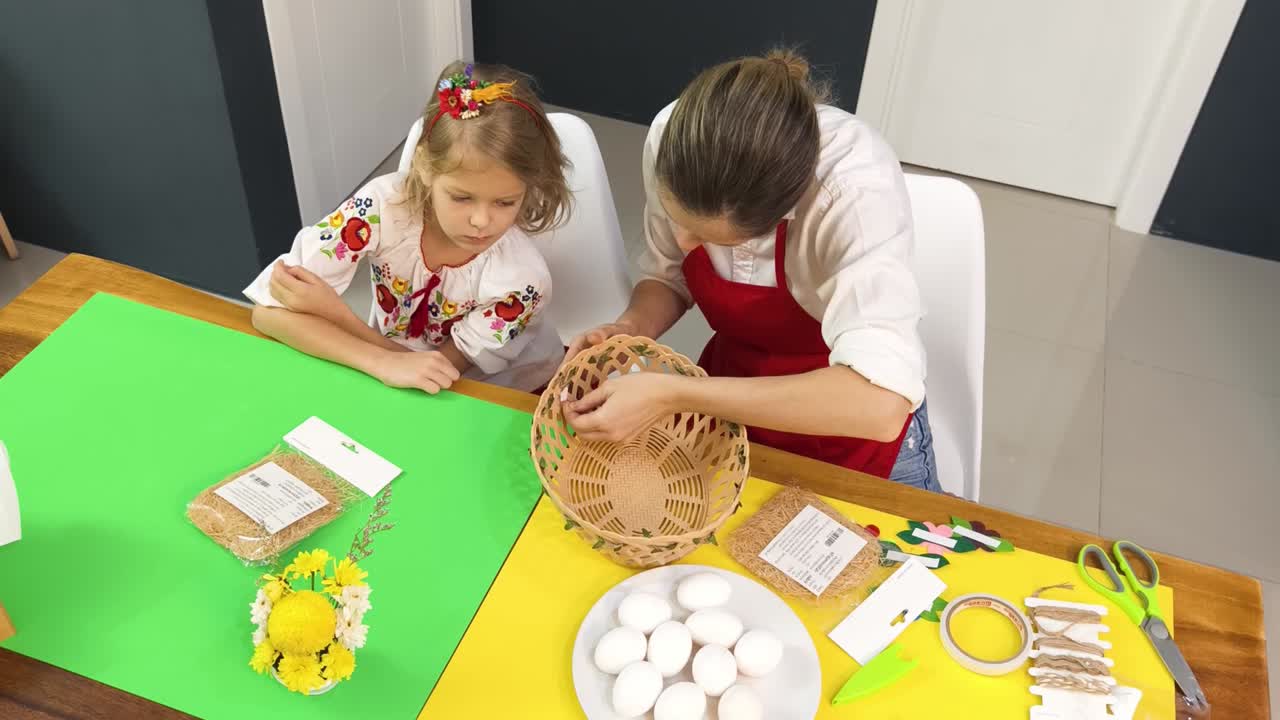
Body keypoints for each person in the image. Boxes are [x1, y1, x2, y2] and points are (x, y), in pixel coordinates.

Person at [563, 50, 939, 491]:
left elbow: (880, 404)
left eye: (715, 240)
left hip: (845, 438)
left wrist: (673, 394)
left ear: (781, 216)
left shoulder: (851, 193)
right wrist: (629, 328)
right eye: (676, 218)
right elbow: (668, 276)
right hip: (727, 410)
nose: (684, 244)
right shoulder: (675, 138)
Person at [246, 62, 570, 393]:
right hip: (400, 374)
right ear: (424, 167)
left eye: (505, 203)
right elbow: (267, 314)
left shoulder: (523, 283)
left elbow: (441, 375)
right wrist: (379, 362)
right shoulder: (379, 208)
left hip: (508, 390)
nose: (481, 221)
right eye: (461, 197)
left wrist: (336, 315)